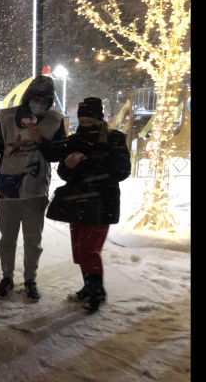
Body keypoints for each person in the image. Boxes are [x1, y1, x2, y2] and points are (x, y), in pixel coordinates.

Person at [0, 75, 66, 302]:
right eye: (36, 98)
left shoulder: (54, 120)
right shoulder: (7, 117)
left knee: (33, 240)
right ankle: (6, 276)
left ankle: (30, 280)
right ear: (28, 96)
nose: (39, 103)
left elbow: (58, 154)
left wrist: (41, 141)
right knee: (7, 238)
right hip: (9, 189)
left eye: (45, 100)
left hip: (36, 190)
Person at [44, 97, 131, 312]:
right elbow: (64, 174)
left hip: (102, 202)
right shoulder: (75, 140)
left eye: (90, 121)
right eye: (82, 121)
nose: (85, 125)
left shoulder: (114, 139)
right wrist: (68, 165)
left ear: (100, 120)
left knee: (89, 249)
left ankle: (98, 292)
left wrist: (87, 163)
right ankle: (88, 287)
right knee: (79, 248)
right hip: (78, 201)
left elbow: (122, 171)